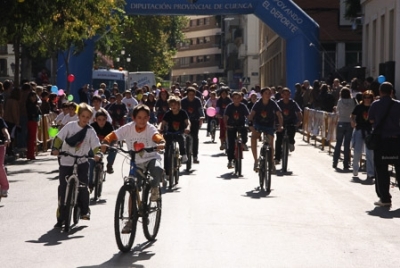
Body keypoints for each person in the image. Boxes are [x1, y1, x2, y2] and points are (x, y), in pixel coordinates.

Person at [101, 104, 165, 203]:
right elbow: (114, 135)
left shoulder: (150, 128)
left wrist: (160, 142)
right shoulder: (128, 128)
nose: (142, 120)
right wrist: (106, 142)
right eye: (139, 117)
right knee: (133, 186)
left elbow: (156, 135)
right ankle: (131, 216)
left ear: (148, 118)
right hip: (136, 162)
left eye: (145, 118)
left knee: (157, 169)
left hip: (151, 158)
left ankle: (155, 188)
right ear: (133, 118)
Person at [52, 103, 102, 228]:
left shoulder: (90, 131)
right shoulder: (70, 126)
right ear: (78, 116)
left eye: (87, 117)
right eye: (83, 116)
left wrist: (97, 154)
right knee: (63, 187)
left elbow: (96, 145)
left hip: (82, 160)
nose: (85, 119)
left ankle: (84, 210)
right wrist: (55, 149)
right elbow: (59, 138)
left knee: (83, 186)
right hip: (66, 160)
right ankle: (62, 216)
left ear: (90, 118)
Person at [368, 82, 400, 207]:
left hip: (381, 142)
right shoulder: (398, 105)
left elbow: (370, 120)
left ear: (380, 92)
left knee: (381, 170)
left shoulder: (375, 104)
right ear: (392, 92)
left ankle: (385, 198)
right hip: (396, 141)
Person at [248, 87, 283, 172]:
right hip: (258, 124)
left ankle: (271, 163)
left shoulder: (273, 103)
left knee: (271, 143)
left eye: (269, 93)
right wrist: (251, 125)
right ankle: (256, 161)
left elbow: (279, 115)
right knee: (253, 138)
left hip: (269, 125)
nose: (267, 95)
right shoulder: (258, 103)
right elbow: (251, 115)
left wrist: (280, 125)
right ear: (262, 94)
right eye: (266, 93)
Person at [159, 96, 190, 173]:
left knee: (181, 139)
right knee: (166, 152)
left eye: (175, 104)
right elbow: (162, 123)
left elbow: (187, 122)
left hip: (179, 132)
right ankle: (166, 170)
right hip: (169, 133)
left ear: (179, 105)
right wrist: (159, 128)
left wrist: (188, 127)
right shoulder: (168, 113)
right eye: (171, 105)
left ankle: (183, 154)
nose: (173, 106)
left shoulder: (183, 113)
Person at [274, 87, 302, 165]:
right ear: (282, 95)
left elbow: (299, 112)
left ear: (290, 95)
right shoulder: (278, 103)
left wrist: (299, 121)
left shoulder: (293, 103)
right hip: (280, 122)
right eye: (284, 94)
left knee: (292, 130)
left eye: (288, 94)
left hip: (290, 121)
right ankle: (277, 158)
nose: (286, 96)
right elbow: (274, 113)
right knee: (279, 139)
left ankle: (291, 142)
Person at [351, 90, 375, 179]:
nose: (367, 99)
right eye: (365, 97)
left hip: (369, 131)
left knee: (370, 153)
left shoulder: (373, 107)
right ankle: (355, 169)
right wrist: (352, 121)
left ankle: (370, 172)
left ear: (371, 98)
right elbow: (353, 115)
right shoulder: (359, 107)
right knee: (357, 151)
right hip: (359, 130)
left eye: (369, 98)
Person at [90, 110, 116, 188]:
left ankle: (109, 165)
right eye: (99, 119)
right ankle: (90, 183)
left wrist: (113, 144)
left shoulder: (109, 126)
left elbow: (114, 138)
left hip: (106, 146)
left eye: (103, 119)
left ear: (106, 119)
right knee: (91, 163)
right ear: (95, 119)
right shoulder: (92, 126)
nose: (101, 122)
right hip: (94, 147)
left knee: (114, 150)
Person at [224, 92, 250, 169]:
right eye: (234, 98)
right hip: (231, 125)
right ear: (232, 99)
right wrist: (226, 125)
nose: (236, 100)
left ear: (241, 99)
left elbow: (248, 116)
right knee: (231, 144)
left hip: (241, 125)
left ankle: (243, 144)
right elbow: (225, 116)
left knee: (244, 134)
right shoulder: (229, 107)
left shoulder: (243, 106)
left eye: (238, 98)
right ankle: (230, 161)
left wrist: (249, 123)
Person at [332, 87, 357, 169]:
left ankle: (335, 161)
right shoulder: (353, 101)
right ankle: (346, 162)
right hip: (349, 123)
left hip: (341, 122)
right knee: (347, 144)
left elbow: (337, 112)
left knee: (338, 143)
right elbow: (355, 111)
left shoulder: (340, 101)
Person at [181, 86, 205, 164]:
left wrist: (202, 117)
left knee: (195, 137)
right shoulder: (183, 101)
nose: (191, 96)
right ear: (187, 94)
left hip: (195, 120)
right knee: (182, 138)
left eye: (193, 94)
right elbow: (180, 111)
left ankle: (195, 156)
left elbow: (200, 109)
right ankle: (183, 154)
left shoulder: (197, 100)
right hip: (185, 121)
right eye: (189, 94)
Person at [26, 91, 42, 160]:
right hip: (31, 121)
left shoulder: (34, 104)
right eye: (32, 96)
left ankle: (31, 153)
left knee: (32, 138)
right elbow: (35, 113)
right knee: (31, 138)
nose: (34, 98)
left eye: (35, 96)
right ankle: (31, 154)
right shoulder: (30, 105)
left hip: (33, 121)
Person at [0, 113, 11, 198]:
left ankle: (4, 187)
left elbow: (5, 130)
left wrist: (7, 138)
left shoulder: (0, 120)